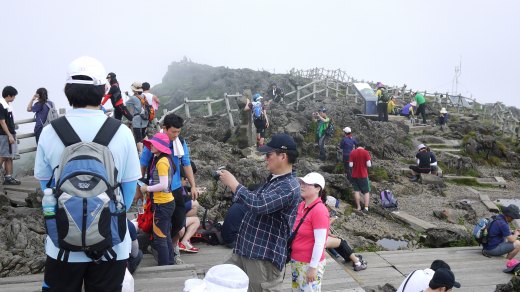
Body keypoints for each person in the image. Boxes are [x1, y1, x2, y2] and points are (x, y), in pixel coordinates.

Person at [34, 56, 141, 291]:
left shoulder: (50, 132)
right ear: (103, 89)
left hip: (62, 244)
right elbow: (129, 190)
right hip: (110, 244)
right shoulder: (121, 132)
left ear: (66, 90)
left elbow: (46, 187)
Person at [219, 133, 300, 291]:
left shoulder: (289, 186)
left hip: (263, 258)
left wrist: (234, 184)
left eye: (269, 154)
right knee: (220, 282)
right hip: (245, 251)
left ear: (282, 156)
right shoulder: (274, 179)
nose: (265, 158)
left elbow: (259, 204)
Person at [139, 113, 199, 264]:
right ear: (164, 128)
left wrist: (193, 186)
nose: (175, 135)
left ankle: (168, 248)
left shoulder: (180, 142)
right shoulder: (154, 144)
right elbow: (143, 165)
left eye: (178, 132)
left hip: (176, 188)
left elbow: (186, 163)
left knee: (179, 222)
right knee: (162, 223)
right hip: (157, 191)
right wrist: (139, 188)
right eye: (173, 132)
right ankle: (165, 253)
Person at [289, 172, 330, 291]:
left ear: (318, 188)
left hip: (309, 263)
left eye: (307, 184)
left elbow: (320, 242)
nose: (302, 186)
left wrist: (313, 267)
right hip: (296, 260)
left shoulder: (319, 210)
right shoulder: (301, 205)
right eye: (301, 183)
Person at [140, 132, 176, 266]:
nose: (151, 146)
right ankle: (170, 262)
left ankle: (164, 266)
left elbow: (163, 185)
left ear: (161, 147)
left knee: (160, 237)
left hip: (162, 203)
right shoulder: (165, 159)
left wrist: (146, 189)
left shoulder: (161, 162)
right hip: (167, 202)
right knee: (165, 234)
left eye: (154, 144)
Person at [177, 162, 201, 253]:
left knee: (195, 215)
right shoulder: (176, 186)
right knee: (195, 204)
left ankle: (184, 242)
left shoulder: (181, 186)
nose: (187, 180)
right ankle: (183, 241)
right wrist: (192, 195)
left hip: (178, 216)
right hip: (175, 219)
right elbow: (181, 200)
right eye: (185, 178)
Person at [1, 86, 21, 185]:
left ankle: (8, 177)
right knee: (3, 155)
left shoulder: (7, 105)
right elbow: (2, 122)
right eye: (14, 96)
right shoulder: (1, 105)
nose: (14, 98)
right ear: (9, 95)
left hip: (10, 133)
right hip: (4, 134)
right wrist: (9, 135)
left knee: (8, 156)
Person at [125, 82, 149, 154]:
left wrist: (128, 96)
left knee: (138, 137)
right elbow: (136, 100)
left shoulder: (133, 98)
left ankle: (141, 153)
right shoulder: (143, 96)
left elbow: (126, 103)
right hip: (145, 118)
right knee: (144, 134)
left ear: (134, 90)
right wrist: (129, 95)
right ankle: (148, 149)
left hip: (137, 119)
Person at [349, 141, 372, 213]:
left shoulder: (352, 152)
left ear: (356, 146)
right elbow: (369, 165)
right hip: (363, 175)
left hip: (354, 175)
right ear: (364, 146)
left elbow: (350, 165)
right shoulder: (366, 152)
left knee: (356, 191)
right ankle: (366, 208)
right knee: (366, 192)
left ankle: (358, 207)